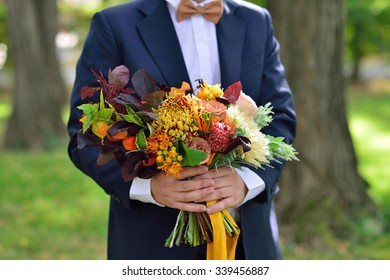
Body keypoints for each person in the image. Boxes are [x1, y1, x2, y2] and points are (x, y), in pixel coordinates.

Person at [67, 0, 296, 260]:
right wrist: (149, 186)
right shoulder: (114, 24)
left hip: (249, 241)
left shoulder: (257, 20)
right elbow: (82, 134)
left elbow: (281, 118)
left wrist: (248, 181)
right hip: (151, 241)